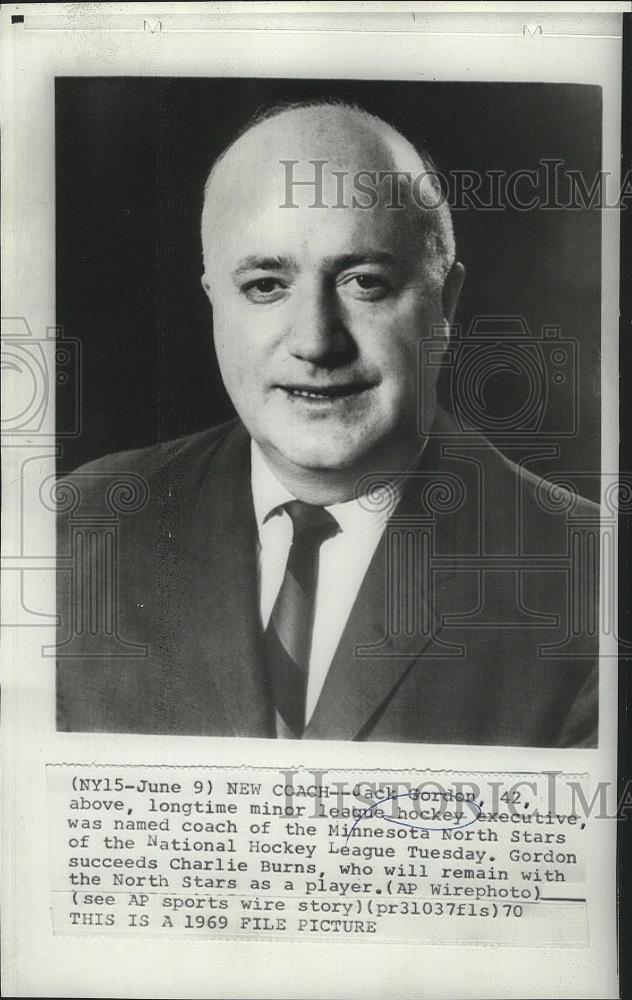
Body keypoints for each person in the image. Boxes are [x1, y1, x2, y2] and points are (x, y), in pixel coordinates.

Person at [56, 101, 599, 745]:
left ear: (445, 304)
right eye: (265, 286)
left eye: (364, 282)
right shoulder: (77, 529)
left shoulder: (596, 579)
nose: (315, 342)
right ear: (214, 303)